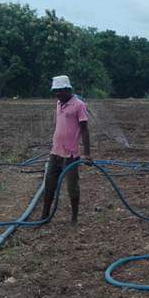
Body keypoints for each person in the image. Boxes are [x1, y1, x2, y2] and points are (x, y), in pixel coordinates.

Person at [40, 75, 91, 223]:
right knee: (49, 185)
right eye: (55, 91)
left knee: (72, 188)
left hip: (70, 155)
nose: (57, 94)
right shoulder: (58, 103)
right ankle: (44, 216)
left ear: (67, 89)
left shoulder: (79, 105)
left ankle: (74, 218)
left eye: (60, 90)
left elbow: (84, 129)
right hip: (55, 153)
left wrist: (87, 154)